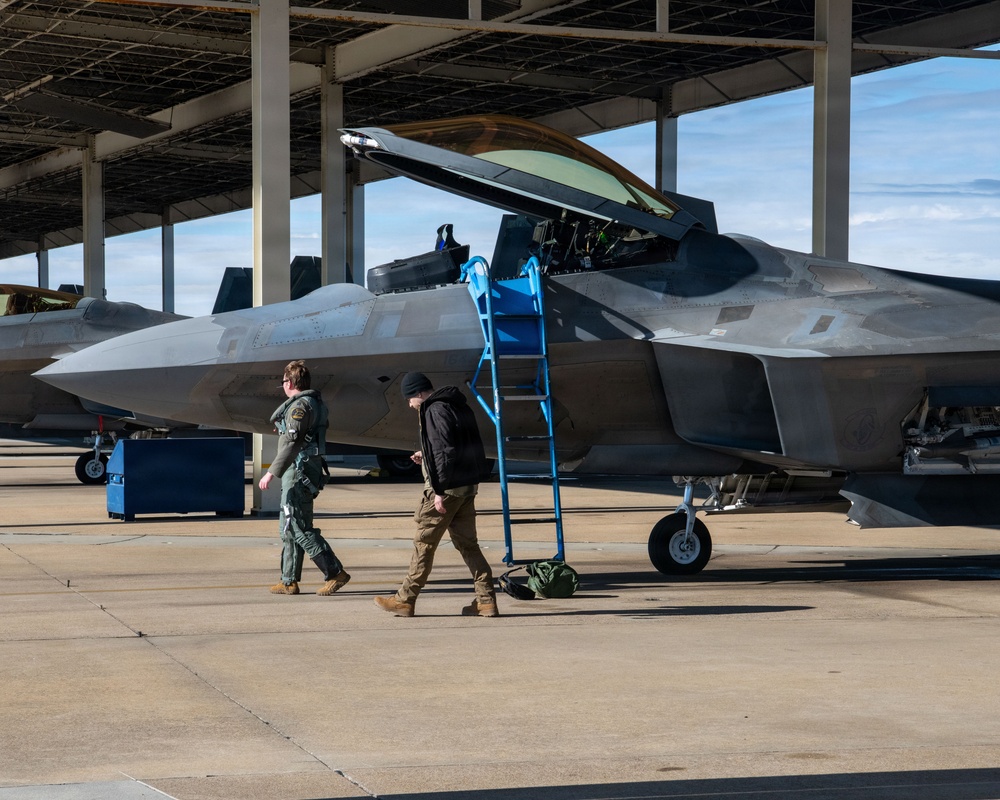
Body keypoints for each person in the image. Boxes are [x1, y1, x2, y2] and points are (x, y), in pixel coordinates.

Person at [375, 372, 498, 617]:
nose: (410, 404)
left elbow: (445, 451)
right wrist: (425, 455)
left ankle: (405, 599)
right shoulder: (458, 405)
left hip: (446, 489)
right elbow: (456, 446)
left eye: (410, 398)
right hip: (466, 487)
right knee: (468, 546)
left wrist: (439, 490)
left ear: (420, 393)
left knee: (424, 544)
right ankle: (486, 601)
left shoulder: (433, 409)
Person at [259, 360, 350, 596]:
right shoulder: (316, 404)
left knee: (298, 526)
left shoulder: (300, 407)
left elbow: (292, 443)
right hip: (306, 470)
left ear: (289, 382)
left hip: (298, 472)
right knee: (289, 525)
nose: (282, 386)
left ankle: (335, 572)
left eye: (283, 382)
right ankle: (289, 580)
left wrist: (270, 472)